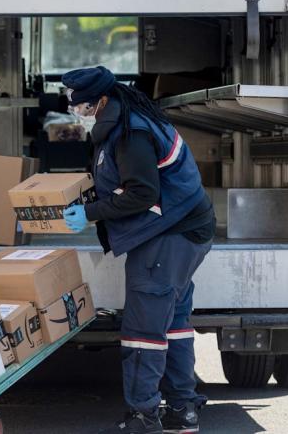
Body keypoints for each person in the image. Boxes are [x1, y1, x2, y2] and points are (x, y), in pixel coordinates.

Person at [61, 67, 215, 434]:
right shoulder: (126, 122)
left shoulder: (131, 135)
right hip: (185, 230)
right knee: (173, 322)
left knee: (143, 329)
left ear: (101, 101)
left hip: (171, 235)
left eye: (82, 107)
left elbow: (142, 194)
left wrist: (90, 213)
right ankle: (183, 409)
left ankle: (144, 416)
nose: (79, 114)